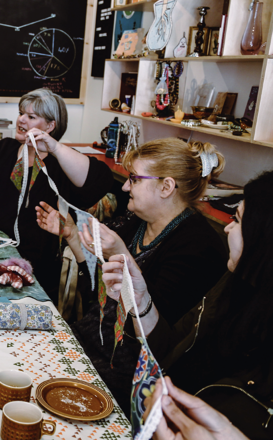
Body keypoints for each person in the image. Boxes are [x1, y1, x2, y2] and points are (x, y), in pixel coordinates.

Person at [36, 137, 228, 412]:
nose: (125, 186)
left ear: (166, 186)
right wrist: (73, 238)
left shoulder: (198, 248)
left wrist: (122, 255)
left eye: (135, 179)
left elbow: (153, 341)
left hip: (128, 374)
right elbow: (99, 298)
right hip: (94, 343)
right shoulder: (135, 223)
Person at [102, 169, 273, 438]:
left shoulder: (198, 245)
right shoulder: (232, 285)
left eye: (237, 220)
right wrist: (140, 299)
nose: (228, 227)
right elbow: (169, 350)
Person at [0, 90, 113, 298]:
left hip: (32, 267)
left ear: (50, 126)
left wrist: (54, 147)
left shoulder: (62, 164)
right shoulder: (5, 148)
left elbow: (99, 182)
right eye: (21, 113)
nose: (21, 119)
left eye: (31, 117)